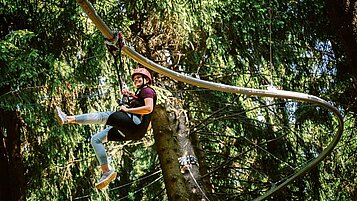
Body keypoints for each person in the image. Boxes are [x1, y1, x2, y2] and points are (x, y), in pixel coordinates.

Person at [55, 68, 156, 190]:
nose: (136, 80)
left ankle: (68, 119)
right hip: (133, 131)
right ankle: (106, 171)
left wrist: (127, 110)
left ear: (146, 80)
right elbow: (140, 104)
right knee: (96, 139)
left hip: (135, 124)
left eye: (139, 78)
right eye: (134, 79)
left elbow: (149, 108)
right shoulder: (140, 94)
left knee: (104, 116)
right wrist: (128, 95)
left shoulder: (147, 90)